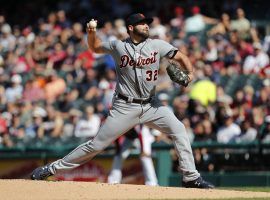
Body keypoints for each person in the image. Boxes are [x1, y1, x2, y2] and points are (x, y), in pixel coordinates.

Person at [31, 13, 214, 188]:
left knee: (179, 129)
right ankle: (51, 169)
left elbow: (180, 56)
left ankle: (191, 177)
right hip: (124, 106)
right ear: (131, 27)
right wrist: (91, 33)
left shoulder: (157, 44)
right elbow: (95, 48)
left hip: (152, 105)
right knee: (96, 145)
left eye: (147, 23)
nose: (146, 25)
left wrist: (190, 73)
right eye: (142, 23)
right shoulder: (118, 46)